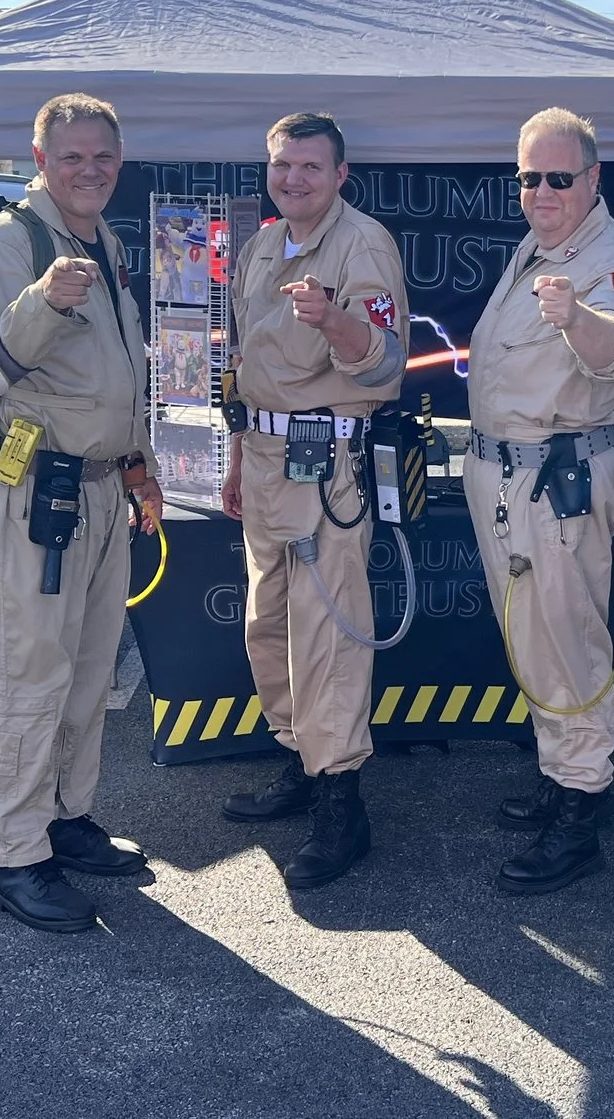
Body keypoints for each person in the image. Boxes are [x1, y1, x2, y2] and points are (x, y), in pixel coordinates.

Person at [0, 93, 162, 933]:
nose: (90, 170)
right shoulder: (10, 243)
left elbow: (117, 373)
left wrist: (140, 464)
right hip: (38, 493)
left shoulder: (102, 240)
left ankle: (67, 818)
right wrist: (43, 299)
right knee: (25, 675)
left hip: (104, 488)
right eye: (72, 156)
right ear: (39, 159)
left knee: (86, 670)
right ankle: (14, 857)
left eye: (102, 156)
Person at [463, 106, 614, 895]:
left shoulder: (607, 259)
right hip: (515, 475)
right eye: (530, 177)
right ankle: (565, 772)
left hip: (557, 477)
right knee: (537, 638)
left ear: (593, 178)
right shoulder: (542, 246)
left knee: (567, 640)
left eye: (559, 177)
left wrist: (577, 319)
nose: (542, 190)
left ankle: (582, 809)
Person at [218, 113, 409, 889]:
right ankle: (302, 761)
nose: (293, 179)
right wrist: (236, 455)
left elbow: (386, 364)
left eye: (309, 168)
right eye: (281, 165)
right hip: (264, 458)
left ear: (340, 175)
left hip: (327, 462)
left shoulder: (363, 245)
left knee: (328, 635)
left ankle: (342, 804)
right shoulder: (267, 243)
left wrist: (334, 320)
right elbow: (246, 360)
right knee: (269, 629)